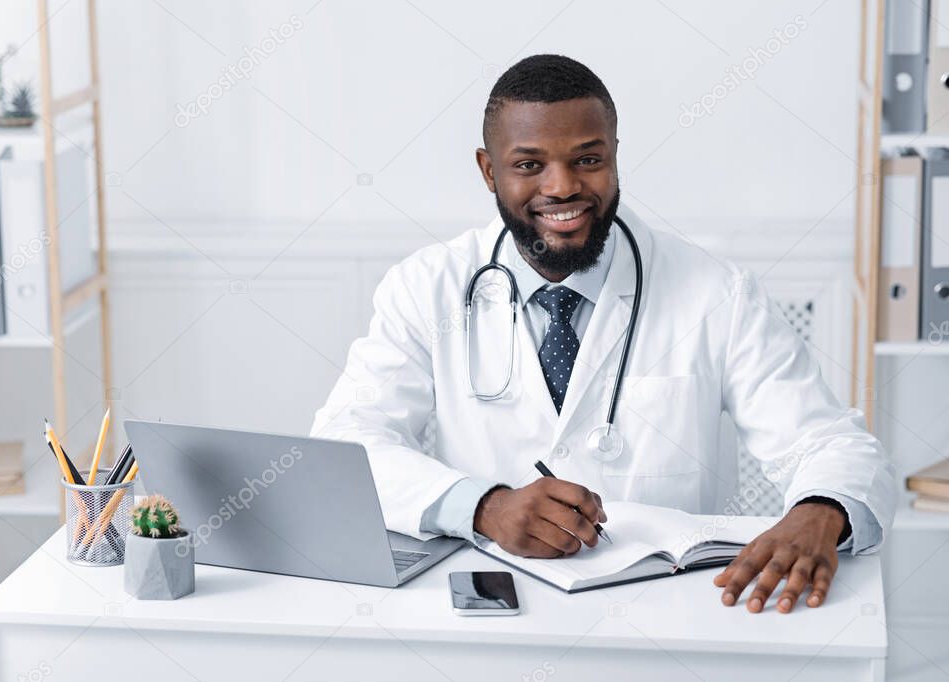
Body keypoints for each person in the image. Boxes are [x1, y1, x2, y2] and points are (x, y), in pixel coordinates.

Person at [311, 54, 895, 614]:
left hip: (676, 618)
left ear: (615, 155)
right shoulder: (426, 287)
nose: (562, 187)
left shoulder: (717, 294)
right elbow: (349, 444)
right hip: (494, 613)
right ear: (489, 170)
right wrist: (482, 506)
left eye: (588, 160)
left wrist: (821, 509)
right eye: (529, 164)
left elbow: (830, 443)